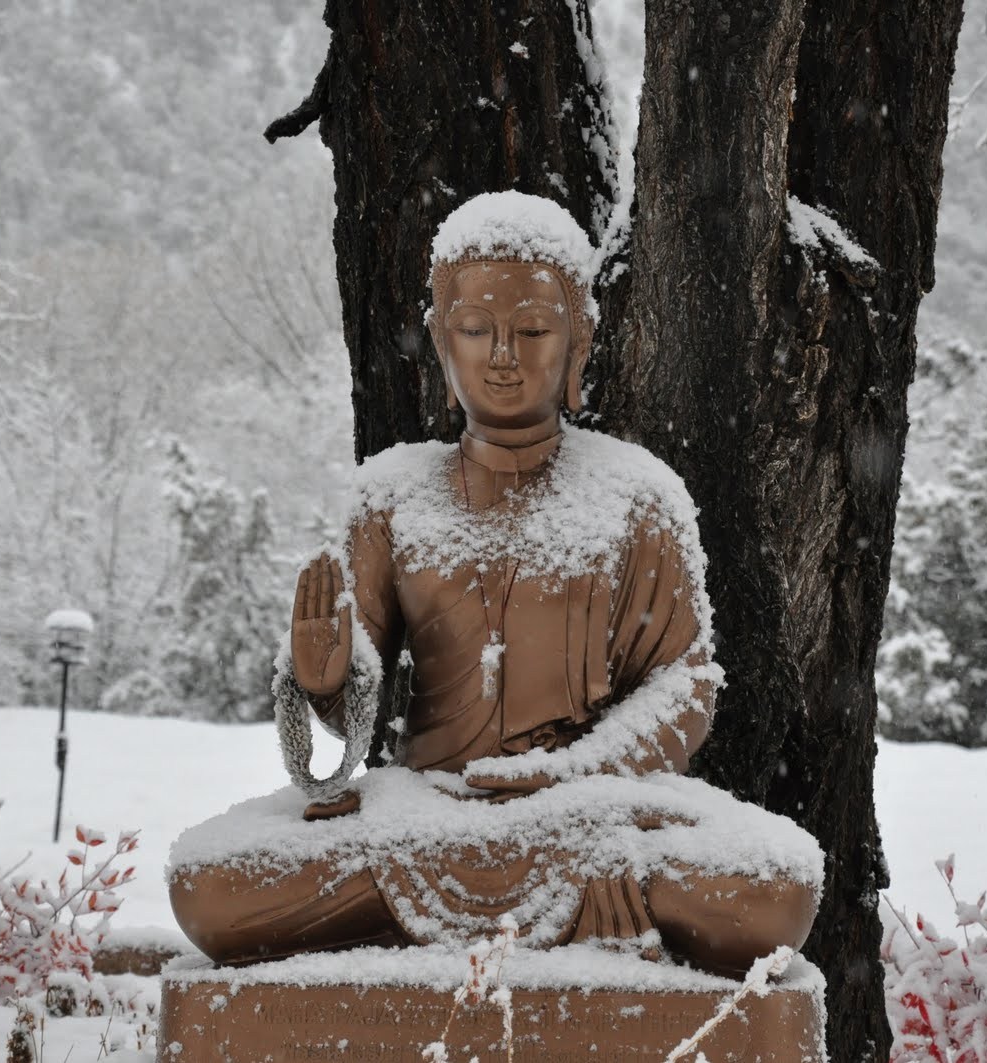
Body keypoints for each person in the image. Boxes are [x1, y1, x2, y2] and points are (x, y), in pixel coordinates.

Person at [168, 191, 821, 978]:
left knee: (776, 888)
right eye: (476, 331)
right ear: (445, 347)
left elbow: (685, 681)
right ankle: (566, 918)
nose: (503, 354)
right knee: (204, 883)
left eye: (534, 330)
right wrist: (325, 679)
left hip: (587, 815)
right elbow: (357, 711)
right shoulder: (392, 496)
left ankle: (486, 915)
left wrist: (577, 773)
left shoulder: (637, 495)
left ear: (579, 343)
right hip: (424, 820)